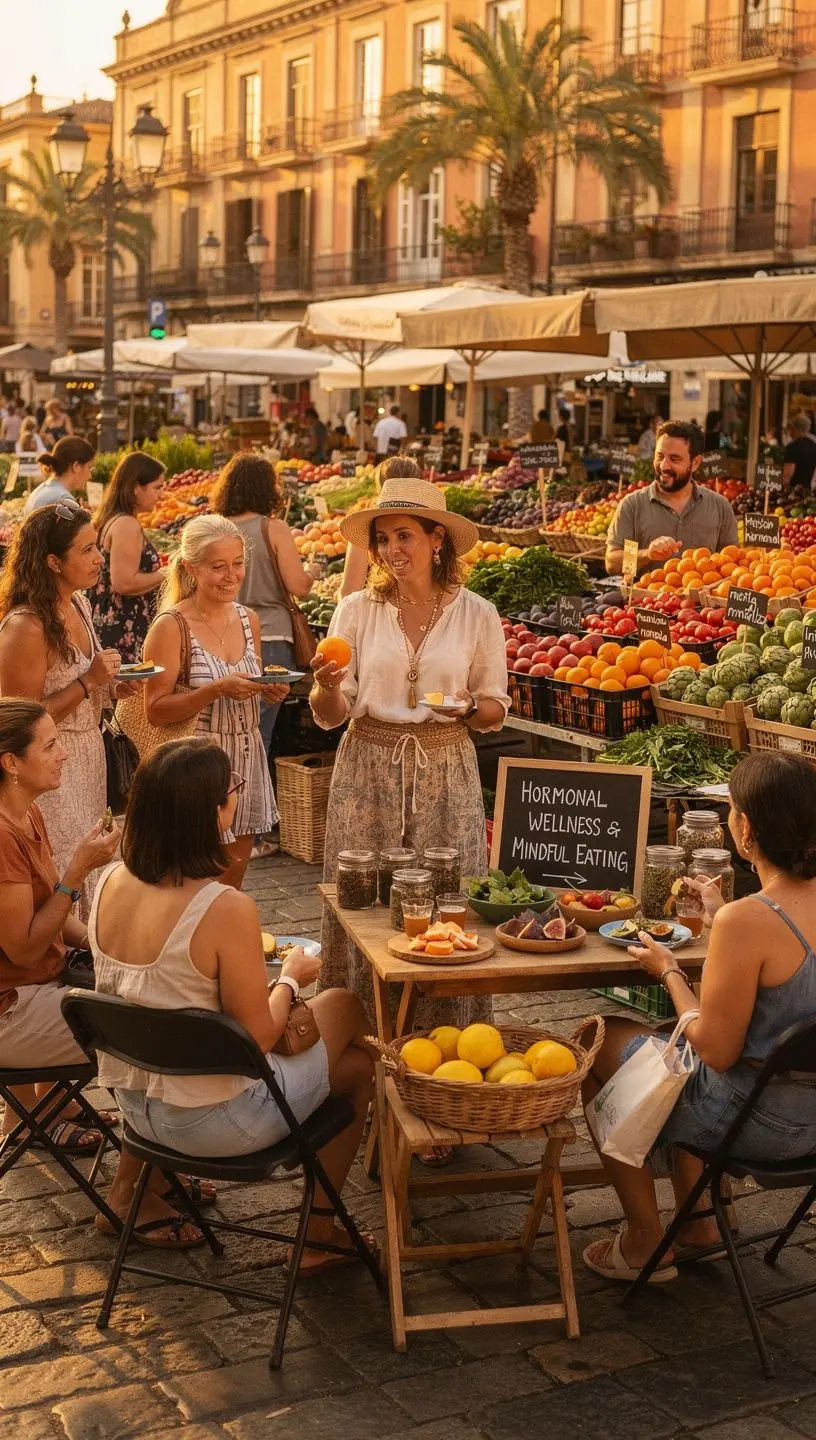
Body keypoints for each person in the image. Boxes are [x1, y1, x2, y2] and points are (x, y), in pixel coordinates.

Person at [90, 736, 376, 1271]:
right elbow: (261, 1036)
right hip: (217, 1124)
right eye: (232, 793)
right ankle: (318, 1235)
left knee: (356, 1065)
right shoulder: (225, 907)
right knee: (344, 1007)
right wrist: (289, 979)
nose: (236, 802)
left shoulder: (107, 882)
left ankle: (131, 1189)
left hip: (136, 1114)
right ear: (209, 812)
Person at [582, 751, 816, 1284]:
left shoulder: (747, 921)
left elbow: (715, 1049)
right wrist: (719, 920)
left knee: (596, 1039)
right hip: (813, 1123)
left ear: (746, 829)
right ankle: (699, 1226)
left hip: (759, 1124)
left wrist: (670, 971)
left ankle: (645, 1240)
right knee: (671, 1042)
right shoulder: (746, 917)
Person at [310, 472, 509, 1046]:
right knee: (362, 907)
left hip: (446, 769)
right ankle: (359, 1046)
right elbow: (331, 712)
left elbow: (496, 709)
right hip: (366, 766)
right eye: (382, 540)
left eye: (404, 536)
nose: (392, 551)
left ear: (436, 539)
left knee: (448, 908)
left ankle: (449, 1049)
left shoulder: (478, 614)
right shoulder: (355, 610)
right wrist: (322, 685)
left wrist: (469, 706)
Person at [0, 503, 140, 918]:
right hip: (47, 771)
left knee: (93, 862)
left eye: (97, 547)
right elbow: (16, 722)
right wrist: (89, 682)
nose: (100, 558)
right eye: (87, 550)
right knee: (65, 867)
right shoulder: (26, 626)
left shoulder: (78, 604)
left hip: (89, 758)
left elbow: (90, 684)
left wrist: (116, 687)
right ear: (52, 561)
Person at [142, 515, 288, 891]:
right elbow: (154, 709)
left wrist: (269, 690)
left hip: (246, 757)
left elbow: (248, 686)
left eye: (238, 563)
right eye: (217, 566)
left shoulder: (248, 620)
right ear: (191, 568)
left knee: (230, 885)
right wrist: (215, 690)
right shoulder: (171, 625)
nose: (232, 575)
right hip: (196, 769)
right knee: (189, 886)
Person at [0, 698, 120, 1149]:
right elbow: (26, 950)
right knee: (145, 1033)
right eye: (50, 746)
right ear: (11, 762)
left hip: (34, 986)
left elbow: (53, 912)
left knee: (132, 987)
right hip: (11, 1010)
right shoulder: (2, 834)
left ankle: (37, 1112)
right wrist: (77, 872)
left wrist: (101, 943)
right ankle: (144, 1188)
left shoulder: (26, 811)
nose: (64, 753)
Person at [210, 453, 315, 758]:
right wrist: (314, 573)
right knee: (259, 735)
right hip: (271, 639)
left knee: (228, 730)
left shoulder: (217, 530)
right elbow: (299, 586)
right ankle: (255, 802)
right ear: (268, 489)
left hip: (225, 638)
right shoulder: (274, 529)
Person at [606, 420, 738, 577]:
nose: (664, 466)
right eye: (660, 456)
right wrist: (647, 554)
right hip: (646, 600)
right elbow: (612, 564)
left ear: (695, 463)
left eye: (675, 459)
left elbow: (732, 563)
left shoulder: (719, 506)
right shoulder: (633, 505)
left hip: (701, 601)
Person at [90, 452, 165, 665]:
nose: (161, 494)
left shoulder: (113, 519)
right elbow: (124, 582)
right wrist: (166, 573)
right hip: (124, 628)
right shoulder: (126, 525)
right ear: (135, 488)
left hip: (113, 624)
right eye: (157, 487)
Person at [24, 437, 94, 517]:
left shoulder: (40, 490)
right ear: (76, 466)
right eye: (89, 467)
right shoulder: (63, 500)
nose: (89, 475)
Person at [783, 413, 816, 491]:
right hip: (807, 491)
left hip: (792, 492)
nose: (789, 430)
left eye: (791, 427)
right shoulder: (813, 446)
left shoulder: (793, 447)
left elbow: (788, 474)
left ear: (795, 428)